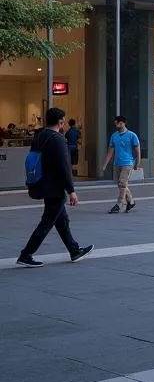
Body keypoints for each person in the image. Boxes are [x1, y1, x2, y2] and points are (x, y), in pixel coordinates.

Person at [17, 107, 93, 267]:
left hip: (43, 183)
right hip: (54, 187)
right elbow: (64, 167)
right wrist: (71, 191)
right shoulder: (57, 139)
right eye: (63, 120)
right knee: (47, 221)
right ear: (60, 122)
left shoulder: (40, 136)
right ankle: (26, 254)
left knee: (61, 220)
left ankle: (74, 250)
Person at [100, 114, 141, 214]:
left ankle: (119, 204)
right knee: (121, 184)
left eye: (117, 123)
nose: (115, 125)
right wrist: (105, 164)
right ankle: (130, 201)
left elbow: (137, 150)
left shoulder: (132, 135)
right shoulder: (114, 136)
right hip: (117, 163)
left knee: (122, 183)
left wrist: (137, 163)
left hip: (128, 163)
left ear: (122, 123)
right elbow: (110, 151)